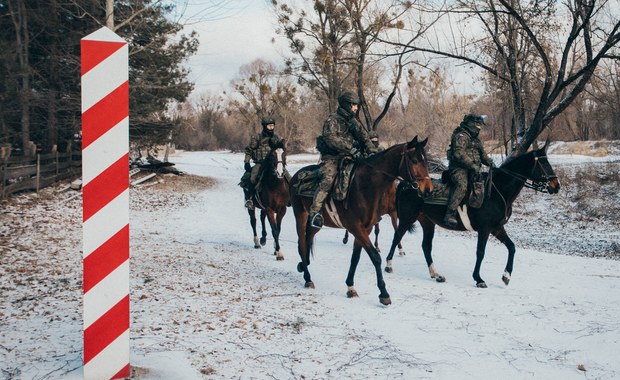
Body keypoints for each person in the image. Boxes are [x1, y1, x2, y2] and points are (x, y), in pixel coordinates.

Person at [308, 91, 380, 228]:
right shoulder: (332, 120)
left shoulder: (354, 121)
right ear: (346, 105)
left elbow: (365, 137)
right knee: (328, 179)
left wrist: (373, 151)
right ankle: (315, 212)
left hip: (353, 157)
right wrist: (350, 148)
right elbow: (331, 139)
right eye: (354, 105)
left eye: (356, 105)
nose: (356, 108)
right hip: (333, 158)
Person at [443, 113, 496, 227]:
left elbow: (483, 155)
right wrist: (472, 165)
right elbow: (459, 153)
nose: (479, 127)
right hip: (458, 169)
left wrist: (490, 162)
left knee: (484, 184)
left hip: (473, 170)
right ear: (471, 123)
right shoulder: (461, 136)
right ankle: (450, 213)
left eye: (480, 125)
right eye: (477, 124)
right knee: (462, 185)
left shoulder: (476, 140)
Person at [242, 117, 285, 209]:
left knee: (288, 177)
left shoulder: (277, 138)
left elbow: (281, 150)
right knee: (253, 177)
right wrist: (246, 162)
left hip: (274, 163)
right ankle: (249, 199)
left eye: (272, 126)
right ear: (265, 126)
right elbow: (249, 150)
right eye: (269, 126)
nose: (271, 128)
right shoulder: (257, 138)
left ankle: (290, 197)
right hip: (260, 163)